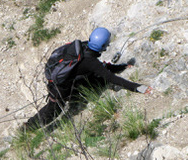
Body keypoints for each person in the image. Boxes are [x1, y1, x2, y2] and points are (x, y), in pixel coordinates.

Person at [24, 27, 153, 130]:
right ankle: (28, 129)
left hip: (57, 82)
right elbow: (111, 78)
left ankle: (28, 128)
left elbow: (102, 68)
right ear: (103, 46)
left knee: (53, 109)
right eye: (106, 45)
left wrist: (122, 67)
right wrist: (137, 87)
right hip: (61, 90)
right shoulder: (90, 62)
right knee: (53, 112)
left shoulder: (82, 46)